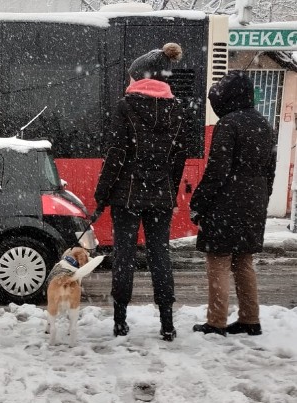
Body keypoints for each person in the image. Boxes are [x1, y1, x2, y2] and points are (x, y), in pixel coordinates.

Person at [93, 43, 189, 342]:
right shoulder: (176, 109)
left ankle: (120, 321)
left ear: (138, 76)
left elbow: (116, 154)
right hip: (160, 196)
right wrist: (170, 193)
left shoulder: (126, 106)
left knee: (124, 255)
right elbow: (178, 157)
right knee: (160, 254)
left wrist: (102, 193)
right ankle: (167, 324)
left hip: (127, 195)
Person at [190, 71, 276, 336]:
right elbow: (270, 170)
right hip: (254, 201)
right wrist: (261, 198)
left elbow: (217, 170)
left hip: (226, 202)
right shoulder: (264, 124)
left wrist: (199, 202)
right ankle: (250, 318)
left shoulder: (228, 124)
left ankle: (216, 321)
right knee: (244, 261)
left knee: (218, 261)